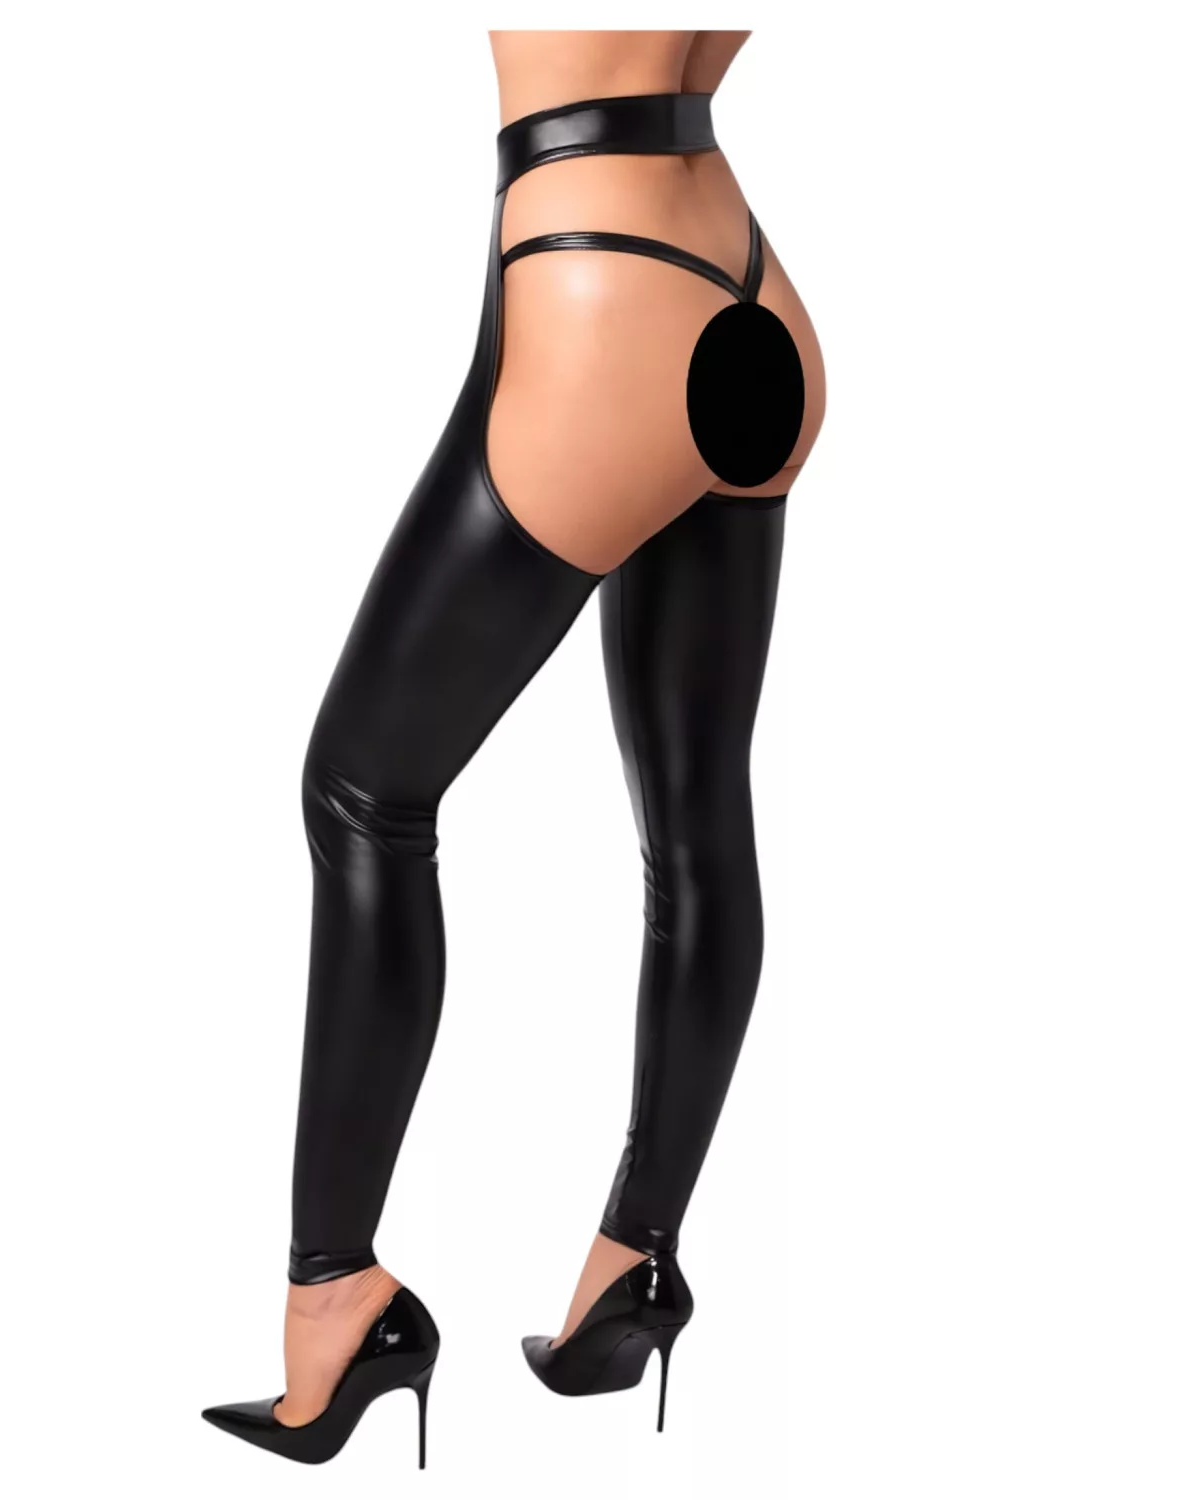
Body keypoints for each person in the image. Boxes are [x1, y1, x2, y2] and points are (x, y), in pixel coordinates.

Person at [201, 28, 826, 1466]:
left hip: (601, 286)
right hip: (744, 282)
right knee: (697, 818)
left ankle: (334, 1298)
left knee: (362, 795)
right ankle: (634, 1268)